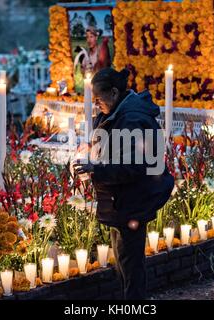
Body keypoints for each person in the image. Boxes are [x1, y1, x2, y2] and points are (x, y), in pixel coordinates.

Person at [73, 68, 174, 300]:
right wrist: (91, 148)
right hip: (120, 201)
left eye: (98, 99)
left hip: (133, 200)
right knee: (123, 260)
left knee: (131, 265)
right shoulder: (117, 111)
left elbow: (133, 166)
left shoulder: (132, 119)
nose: (96, 104)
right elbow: (108, 141)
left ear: (114, 92)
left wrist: (95, 169)